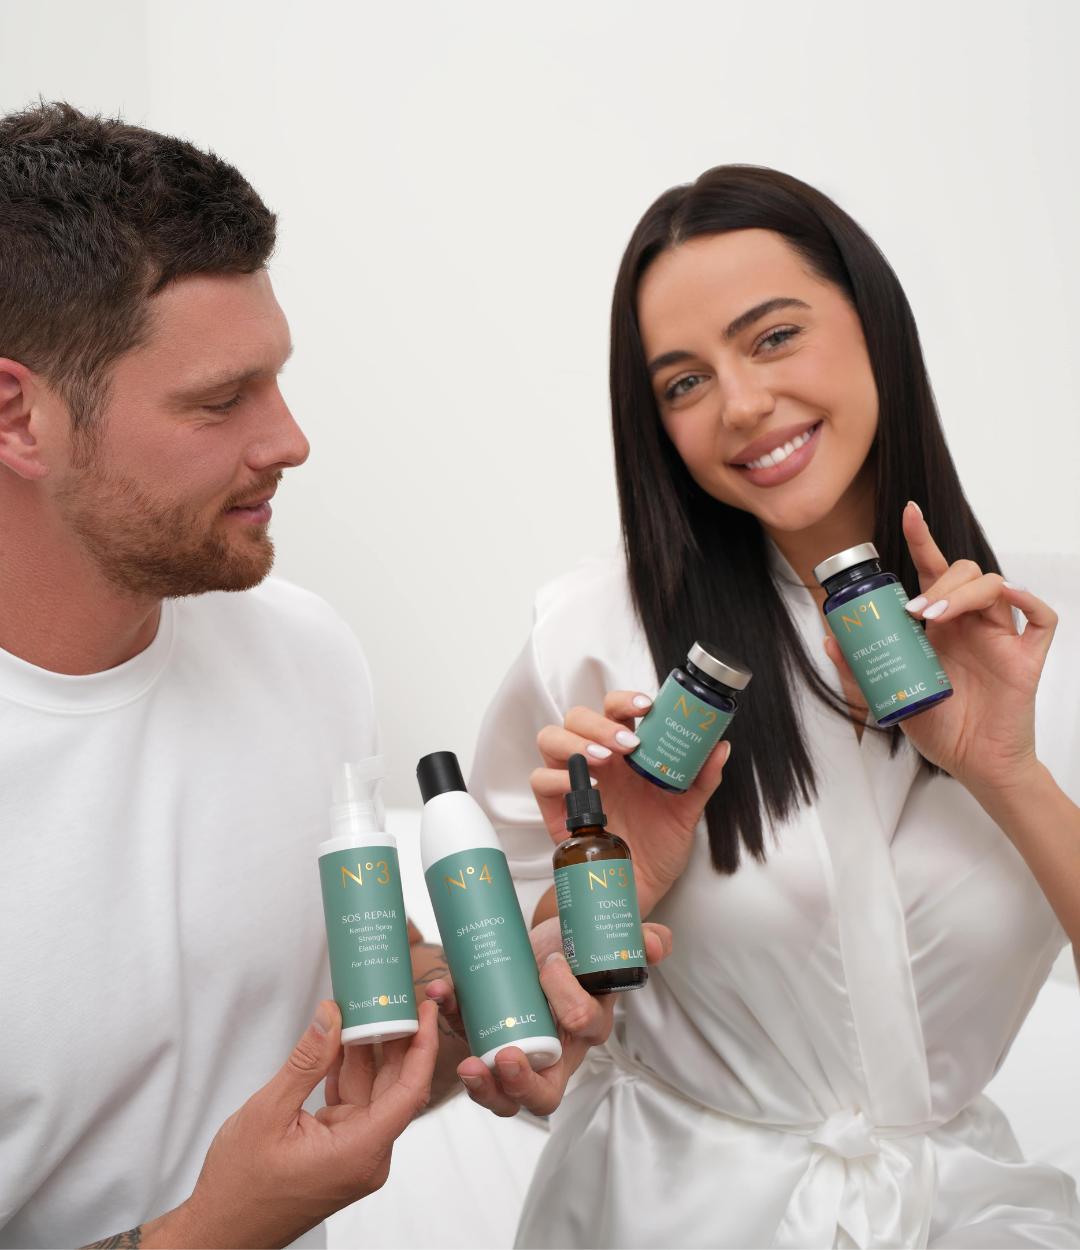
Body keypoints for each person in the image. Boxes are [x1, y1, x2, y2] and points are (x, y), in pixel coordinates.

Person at [0, 101, 672, 1250]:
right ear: (19, 414)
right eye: (219, 401)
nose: (291, 438)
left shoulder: (303, 653)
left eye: (277, 378)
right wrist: (212, 1230)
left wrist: (485, 1010)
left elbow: (338, 1036)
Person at [470, 165, 1080, 1248]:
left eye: (772, 336)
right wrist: (601, 924)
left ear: (874, 321)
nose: (742, 406)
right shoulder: (590, 640)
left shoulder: (1038, 634)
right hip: (661, 1214)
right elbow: (523, 1045)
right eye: (683, 383)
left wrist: (1005, 769)